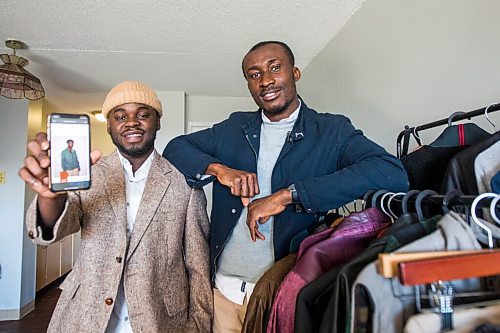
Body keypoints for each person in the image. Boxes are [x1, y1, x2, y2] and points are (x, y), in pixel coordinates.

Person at [163, 41, 409, 332]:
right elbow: (175, 148)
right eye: (254, 75)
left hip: (280, 297)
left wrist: (289, 195)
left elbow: (391, 173)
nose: (265, 80)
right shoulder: (234, 128)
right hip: (222, 296)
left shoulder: (331, 131)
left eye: (275, 68)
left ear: (295, 72)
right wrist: (219, 170)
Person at [19, 81, 213, 333]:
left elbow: (199, 265)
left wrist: (199, 325)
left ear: (158, 122)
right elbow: (57, 228)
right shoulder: (89, 175)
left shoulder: (185, 181)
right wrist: (50, 196)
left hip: (161, 320)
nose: (131, 122)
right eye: (120, 116)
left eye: (143, 114)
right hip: (87, 316)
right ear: (109, 125)